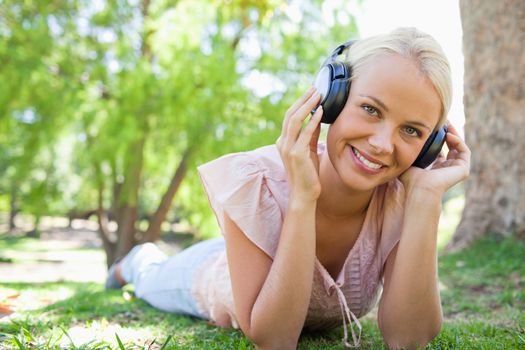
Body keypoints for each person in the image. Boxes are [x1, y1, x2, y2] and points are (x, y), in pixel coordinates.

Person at [105, 27, 471, 349]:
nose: (381, 143)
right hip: (209, 274)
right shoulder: (257, 179)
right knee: (150, 278)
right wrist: (302, 197)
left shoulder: (402, 202)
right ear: (331, 99)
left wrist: (426, 199)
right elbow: (275, 340)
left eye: (412, 131)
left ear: (430, 146)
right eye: (371, 109)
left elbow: (408, 340)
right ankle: (137, 261)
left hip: (249, 250)